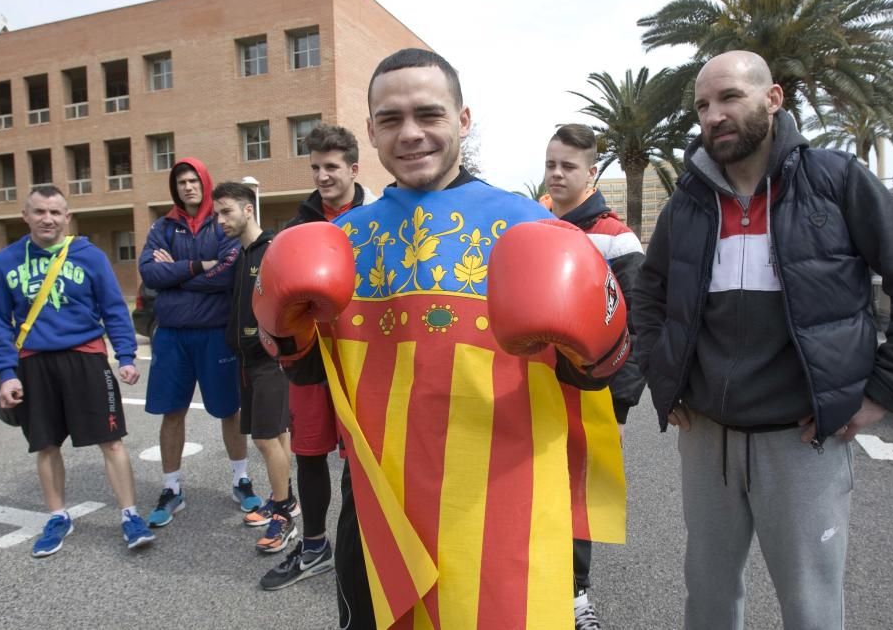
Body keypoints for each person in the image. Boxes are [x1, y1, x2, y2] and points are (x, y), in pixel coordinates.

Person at [253, 48, 629, 629]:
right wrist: (285, 337)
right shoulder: (338, 242)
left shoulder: (530, 227)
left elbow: (602, 375)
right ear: (372, 132)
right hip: (377, 504)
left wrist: (594, 352)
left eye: (428, 114)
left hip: (502, 503)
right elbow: (311, 376)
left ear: (463, 119)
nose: (410, 134)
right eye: (390, 119)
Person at [631, 50, 893, 630]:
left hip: (802, 440)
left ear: (773, 98)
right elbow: (650, 295)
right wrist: (665, 377)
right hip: (706, 435)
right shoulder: (688, 200)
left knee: (810, 606)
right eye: (703, 106)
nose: (714, 116)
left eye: (730, 97)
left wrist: (879, 393)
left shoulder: (834, 181)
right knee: (707, 600)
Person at [0, 186, 155, 556]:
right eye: (40, 212)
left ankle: (130, 515)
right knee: (45, 445)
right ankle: (58, 516)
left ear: (67, 217)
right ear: (25, 216)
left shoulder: (89, 256)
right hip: (33, 363)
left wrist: (125, 357)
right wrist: (6, 372)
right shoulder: (4, 263)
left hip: (86, 358)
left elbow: (113, 309)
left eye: (56, 213)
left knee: (110, 440)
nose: (48, 219)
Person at [249, 124, 376, 591]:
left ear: (354, 168)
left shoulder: (381, 218)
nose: (322, 176)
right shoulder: (297, 228)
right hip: (311, 359)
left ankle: (374, 549)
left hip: (367, 357)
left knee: (366, 457)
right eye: (316, 168)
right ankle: (316, 546)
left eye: (332, 167)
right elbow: (270, 297)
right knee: (309, 453)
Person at [543, 123, 645, 629]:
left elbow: (640, 324)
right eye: (551, 164)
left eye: (568, 166)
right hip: (533, 392)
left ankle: (576, 598)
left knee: (576, 497)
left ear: (592, 172)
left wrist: (619, 408)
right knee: (533, 488)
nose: (557, 174)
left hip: (590, 397)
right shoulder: (533, 222)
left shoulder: (616, 238)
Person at [139, 157, 258, 527]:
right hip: (172, 335)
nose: (188, 187)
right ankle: (171, 488)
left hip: (214, 334)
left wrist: (175, 273)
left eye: (193, 180)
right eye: (181, 182)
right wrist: (197, 266)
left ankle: (241, 479)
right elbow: (148, 272)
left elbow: (226, 274)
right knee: (171, 411)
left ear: (204, 182)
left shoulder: (222, 222)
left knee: (228, 410)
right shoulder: (163, 226)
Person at [213, 181, 302, 560]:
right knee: (275, 435)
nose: (220, 220)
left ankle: (283, 517)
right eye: (217, 213)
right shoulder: (241, 254)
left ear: (248, 210)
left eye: (226, 212)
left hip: (270, 361)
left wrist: (281, 345)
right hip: (246, 360)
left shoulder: (272, 250)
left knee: (266, 439)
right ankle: (287, 498)